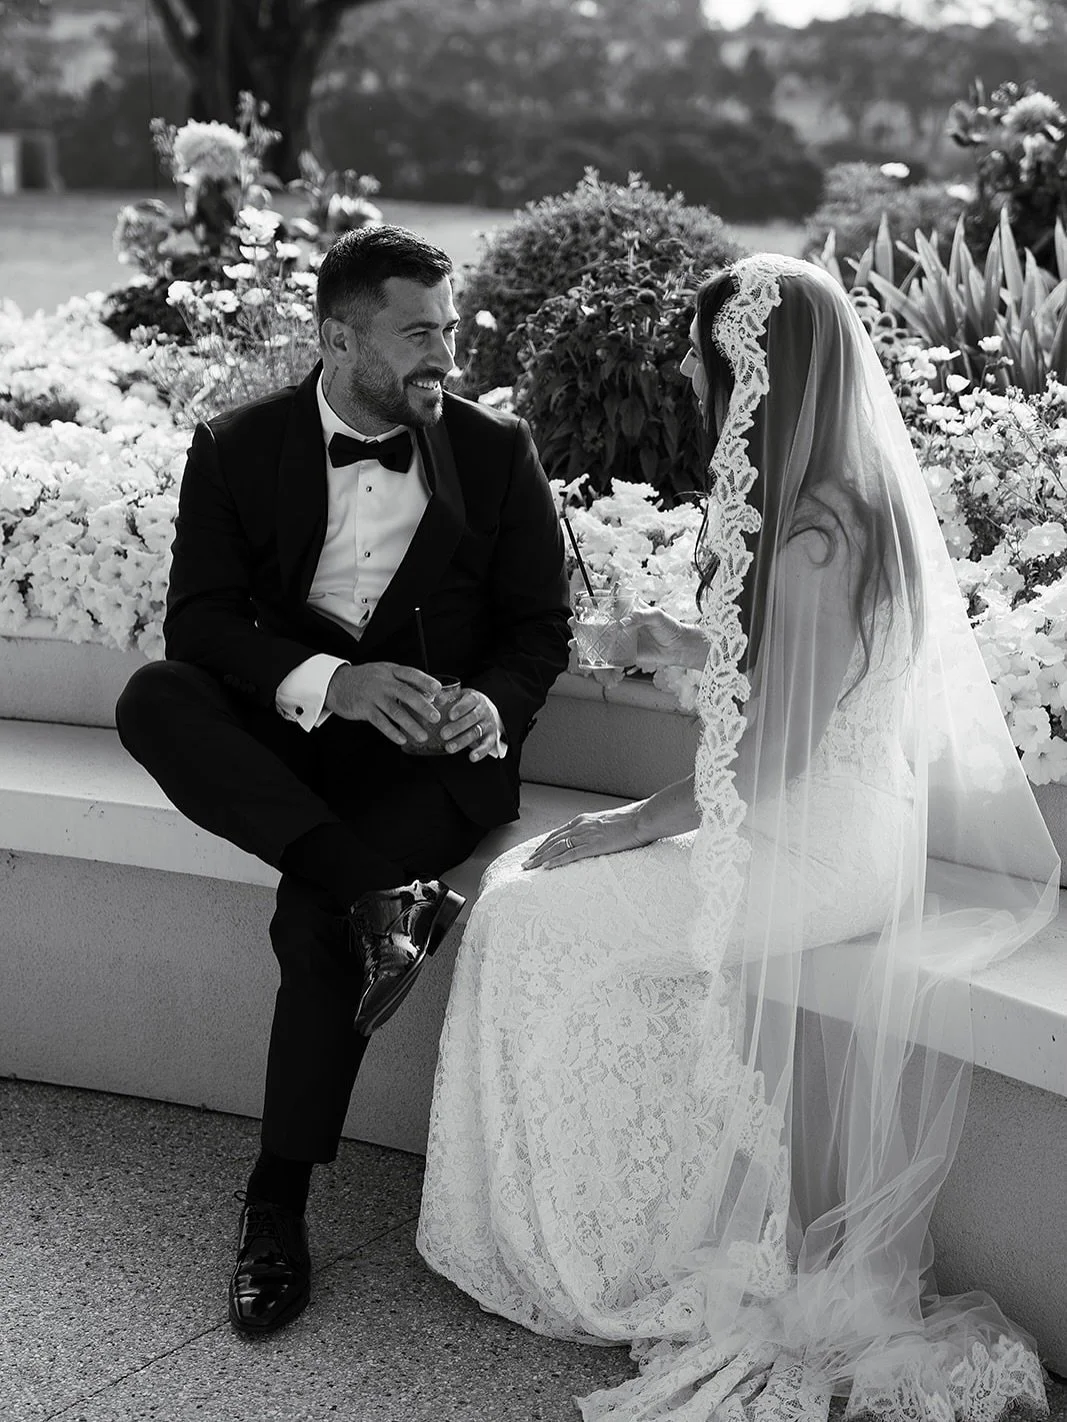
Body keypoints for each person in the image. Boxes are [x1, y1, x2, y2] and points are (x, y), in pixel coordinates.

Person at [416, 254, 1061, 1421]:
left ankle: (607, 1253)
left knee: (522, 917)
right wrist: (673, 638)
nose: (690, 384)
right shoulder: (826, 501)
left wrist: (628, 822)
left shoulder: (818, 532)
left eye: (705, 365)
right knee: (520, 901)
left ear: (755, 375)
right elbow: (789, 688)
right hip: (805, 823)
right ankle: (609, 1213)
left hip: (811, 850)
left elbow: (771, 755)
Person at [115, 225, 572, 1336]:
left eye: (449, 332)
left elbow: (535, 630)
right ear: (337, 337)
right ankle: (389, 897)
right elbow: (203, 622)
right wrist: (332, 680)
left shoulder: (493, 449)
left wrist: (488, 705)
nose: (443, 357)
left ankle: (276, 1201)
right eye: (418, 334)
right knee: (154, 698)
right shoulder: (235, 446)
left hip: (430, 763)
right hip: (297, 727)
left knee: (311, 917)